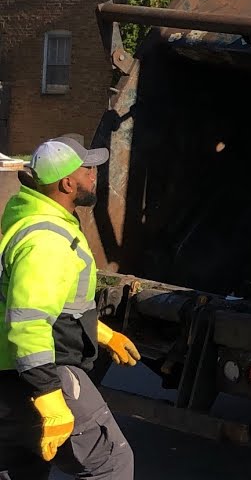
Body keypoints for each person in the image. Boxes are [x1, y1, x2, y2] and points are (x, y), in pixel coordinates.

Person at [0, 137, 139, 480]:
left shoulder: (29, 213)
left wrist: (101, 332)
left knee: (24, 462)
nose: (94, 176)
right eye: (87, 169)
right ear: (67, 183)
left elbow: (48, 300)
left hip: (8, 370)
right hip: (41, 371)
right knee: (111, 463)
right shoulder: (47, 241)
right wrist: (48, 395)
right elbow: (29, 320)